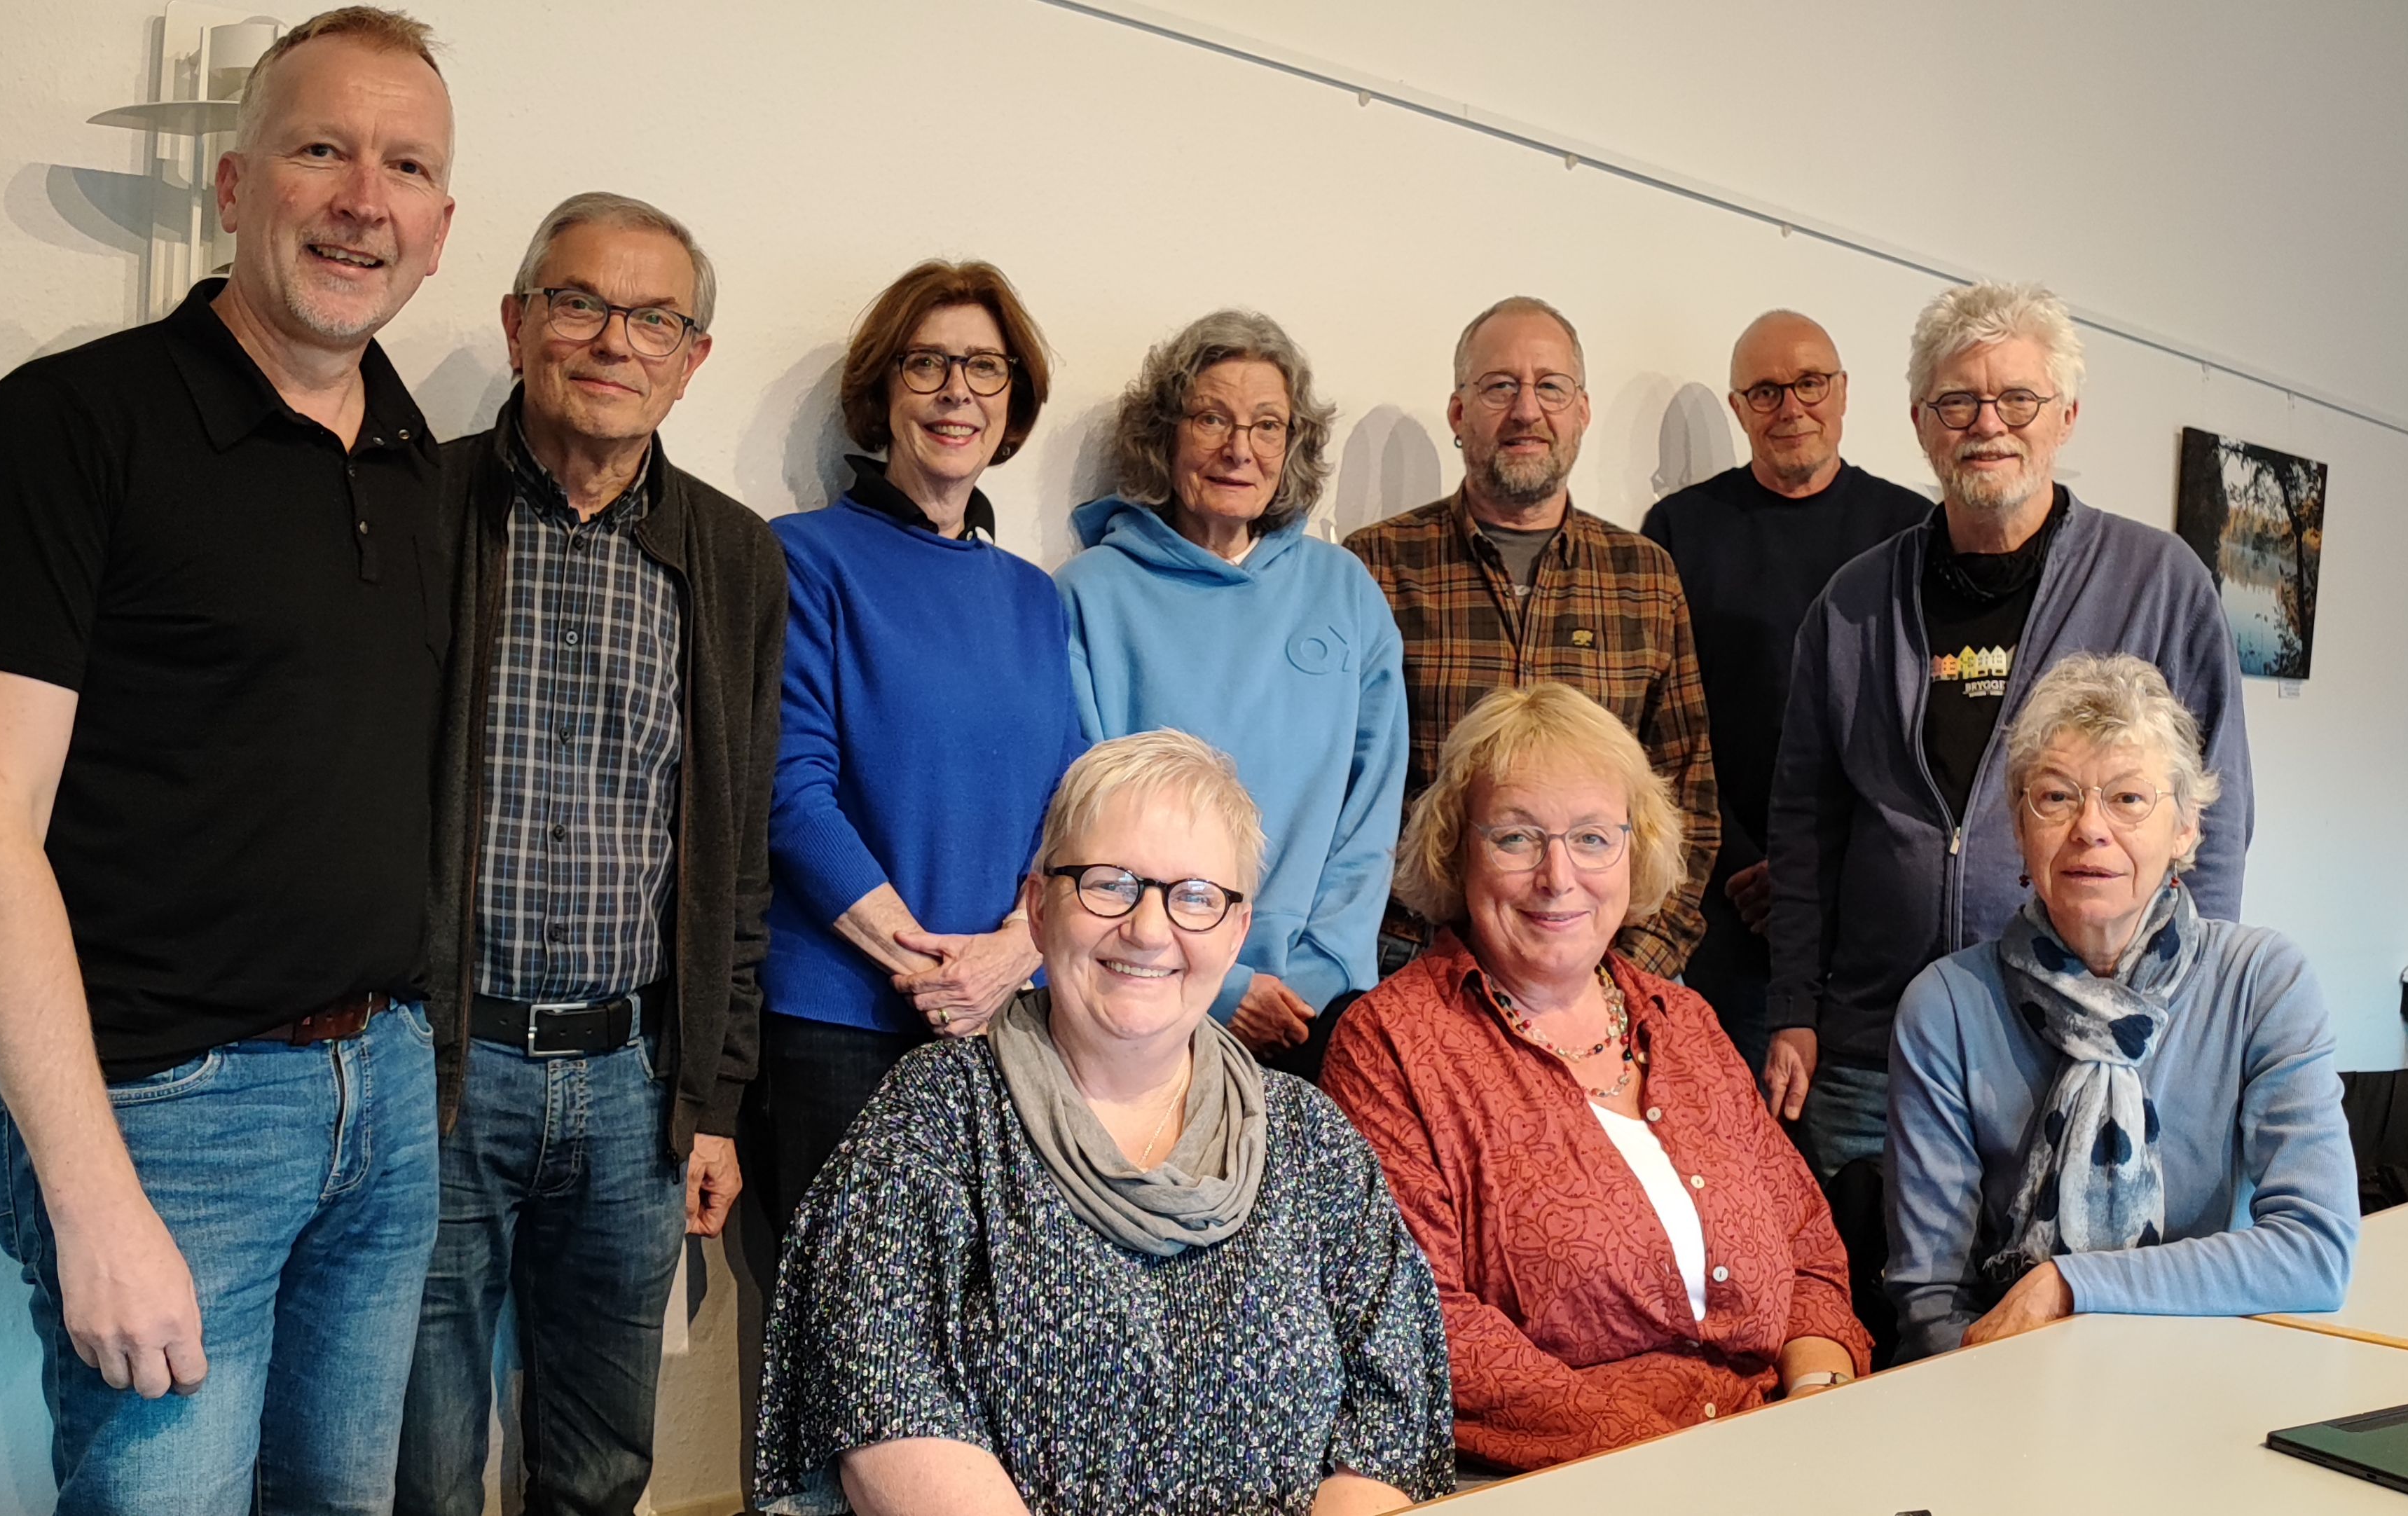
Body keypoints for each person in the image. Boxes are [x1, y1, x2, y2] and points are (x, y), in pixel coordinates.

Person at [0, 9, 455, 1508]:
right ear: (234, 185)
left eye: (404, 164)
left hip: (390, 1091)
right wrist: (92, 1202)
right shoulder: (72, 424)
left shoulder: (417, 465)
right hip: (167, 1118)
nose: (364, 196)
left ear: (440, 228)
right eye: (320, 148)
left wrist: (414, 1086)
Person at [755, 730, 1454, 1515]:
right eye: (1109, 884)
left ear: (1234, 931)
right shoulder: (932, 1121)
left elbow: (1391, 1411)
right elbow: (883, 1406)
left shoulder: (1311, 1140)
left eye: (1194, 895)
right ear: (1038, 907)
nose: (1149, 930)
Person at [399, 193, 784, 1515]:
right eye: (579, 302)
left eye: (656, 317)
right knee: (422, 1462)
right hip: (438, 1069)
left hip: (631, 1083)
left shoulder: (732, 556)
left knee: (602, 1460)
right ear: (517, 325)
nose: (614, 339)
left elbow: (736, 856)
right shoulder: (415, 506)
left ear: (694, 357)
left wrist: (716, 1097)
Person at [1763, 281, 2253, 1185]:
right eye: (1958, 401)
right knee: (1873, 1305)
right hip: (1873, 1057)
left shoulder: (2159, 584)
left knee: (2067, 1308)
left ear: (2064, 415)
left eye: (2016, 398)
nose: (1987, 423)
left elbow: (2212, 820)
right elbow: (1804, 829)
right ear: (1919, 421)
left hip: (2089, 1038)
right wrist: (1794, 1003)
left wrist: (2192, 1010)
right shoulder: (1854, 605)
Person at [1323, 683, 1867, 1474]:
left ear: (1634, 849)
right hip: (1566, 1476)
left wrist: (1818, 1395)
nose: (1557, 876)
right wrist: (1680, 1461)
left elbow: (1807, 1248)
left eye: (1590, 838)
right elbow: (1423, 1318)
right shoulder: (1389, 1044)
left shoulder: (1688, 1024)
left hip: (1775, 1446)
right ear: (1453, 848)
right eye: (1515, 837)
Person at [736, 259, 1085, 1461]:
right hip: (836, 1017)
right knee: (843, 1355)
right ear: (880, 390)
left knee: (979, 1343)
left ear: (1014, 398)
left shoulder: (1035, 597)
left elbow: (1075, 814)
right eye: (926, 363)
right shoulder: (803, 555)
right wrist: (925, 957)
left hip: (999, 1015)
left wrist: (1008, 956)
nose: (954, 390)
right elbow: (788, 785)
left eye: (981, 367)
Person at [1884, 654, 2355, 1359]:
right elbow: (1931, 1298)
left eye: (2128, 799)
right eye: (2056, 797)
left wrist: (2073, 1285)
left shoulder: (2262, 983)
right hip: (1997, 1379)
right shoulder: (1945, 1008)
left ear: (2186, 831)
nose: (2089, 829)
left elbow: (2315, 1252)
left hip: (2196, 1375)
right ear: (2019, 829)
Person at [1056, 309, 1406, 1074]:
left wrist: (1320, 973)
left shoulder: (1344, 590)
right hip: (1146, 986)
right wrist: (1219, 986)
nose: (1239, 449)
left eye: (1267, 426)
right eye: (1212, 418)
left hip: (1315, 1008)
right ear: (1166, 433)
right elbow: (1081, 819)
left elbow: (1371, 811)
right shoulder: (1090, 595)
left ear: (1293, 445)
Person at [1346, 296, 1717, 981]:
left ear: (1581, 411)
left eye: (1550, 387)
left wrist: (1632, 970)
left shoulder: (1643, 575)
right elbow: (1334, 792)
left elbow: (1686, 796)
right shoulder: (1373, 567)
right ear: (1459, 413)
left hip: (1594, 965)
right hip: (1409, 964)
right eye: (1499, 387)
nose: (1525, 411)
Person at [1642, 310, 1929, 1073]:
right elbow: (1666, 725)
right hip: (1729, 907)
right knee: (1738, 1152)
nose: (1791, 407)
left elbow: (1922, 727)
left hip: (1872, 903)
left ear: (1841, 394)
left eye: (1809, 383)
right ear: (1738, 409)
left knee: (1863, 1159)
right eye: (1765, 391)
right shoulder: (1678, 529)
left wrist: (1817, 872)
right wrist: (1745, 866)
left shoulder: (1911, 531)